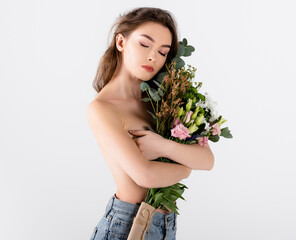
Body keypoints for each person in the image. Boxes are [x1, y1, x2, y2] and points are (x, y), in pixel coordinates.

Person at [87, 7, 215, 240]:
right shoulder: (102, 108)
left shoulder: (164, 98)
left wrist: (163, 146)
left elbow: (207, 160)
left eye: (163, 52)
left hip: (165, 225)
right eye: (144, 45)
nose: (152, 57)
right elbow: (145, 175)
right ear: (121, 41)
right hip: (127, 226)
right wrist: (186, 166)